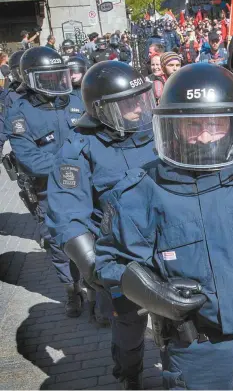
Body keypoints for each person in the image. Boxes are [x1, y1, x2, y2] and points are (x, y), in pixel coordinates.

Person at [94, 63, 233, 389]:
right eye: (193, 125)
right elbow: (110, 262)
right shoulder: (142, 190)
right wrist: (154, 293)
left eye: (215, 124)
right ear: (172, 127)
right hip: (195, 347)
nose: (204, 136)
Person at [46, 61, 158, 388]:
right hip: (121, 258)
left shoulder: (160, 132)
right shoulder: (78, 148)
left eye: (141, 98)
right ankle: (130, 374)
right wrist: (92, 264)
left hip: (169, 246)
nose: (139, 107)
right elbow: (67, 211)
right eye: (128, 102)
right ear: (103, 110)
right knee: (129, 329)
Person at [4, 46, 86, 317]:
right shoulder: (19, 113)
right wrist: (71, 169)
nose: (54, 82)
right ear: (30, 79)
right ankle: (71, 290)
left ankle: (97, 293)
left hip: (86, 187)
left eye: (57, 75)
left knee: (93, 238)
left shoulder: (76, 100)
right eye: (46, 77)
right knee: (58, 244)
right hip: (48, 190)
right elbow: (29, 158)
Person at [0, 51, 25, 158]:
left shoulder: (47, 90)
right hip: (26, 149)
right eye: (20, 71)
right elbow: (2, 121)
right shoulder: (11, 96)